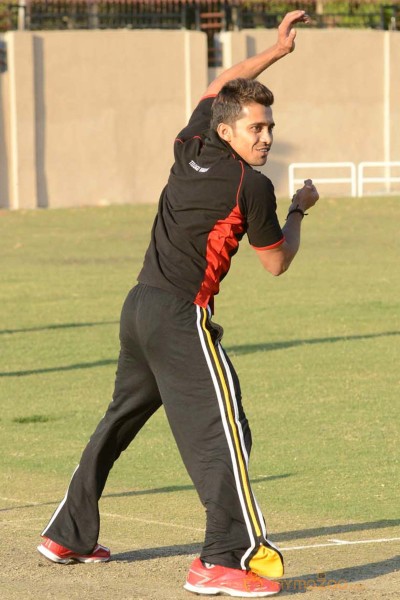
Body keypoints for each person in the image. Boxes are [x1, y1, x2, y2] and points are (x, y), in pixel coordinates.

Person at [38, 10, 319, 598]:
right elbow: (276, 261)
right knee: (225, 431)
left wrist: (275, 51)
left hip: (138, 307)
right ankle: (221, 560)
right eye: (256, 129)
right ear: (228, 133)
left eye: (270, 127)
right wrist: (298, 211)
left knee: (120, 420)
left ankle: (69, 533)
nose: (265, 136)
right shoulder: (253, 187)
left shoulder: (192, 139)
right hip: (176, 318)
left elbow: (217, 89)